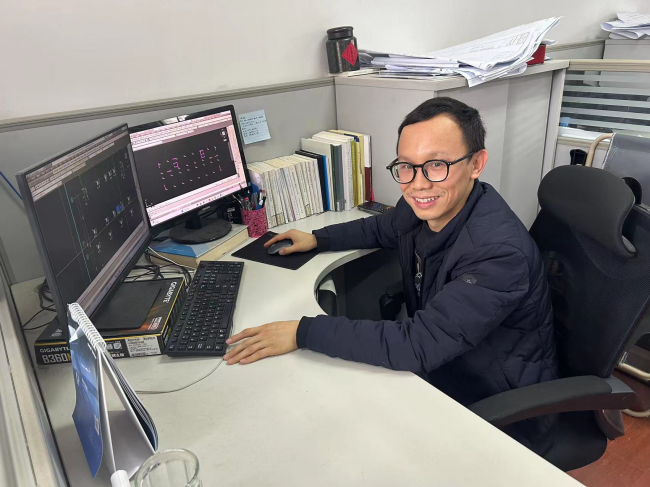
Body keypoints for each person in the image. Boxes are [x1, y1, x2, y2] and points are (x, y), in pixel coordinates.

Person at [224, 97, 558, 452]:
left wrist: (302, 332)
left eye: (437, 164)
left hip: (496, 403)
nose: (417, 184)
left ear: (476, 163)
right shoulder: (426, 205)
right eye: (406, 166)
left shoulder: (499, 253)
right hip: (447, 364)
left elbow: (418, 344)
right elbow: (382, 228)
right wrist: (319, 239)